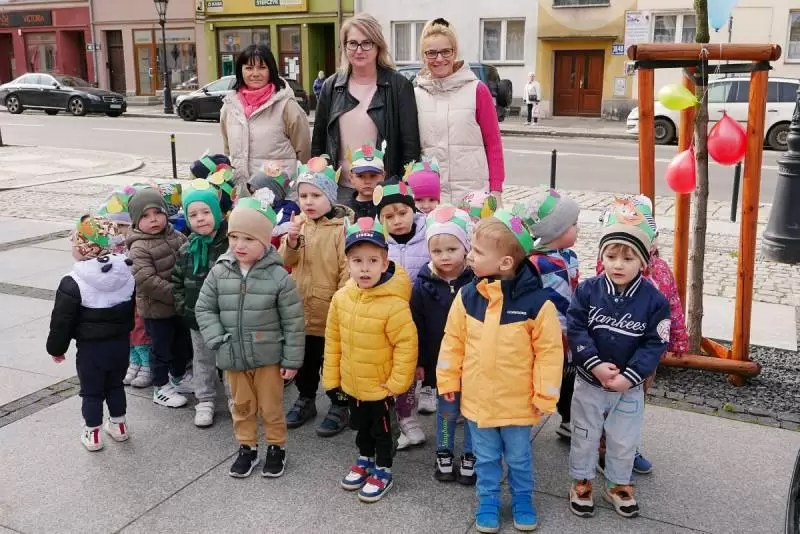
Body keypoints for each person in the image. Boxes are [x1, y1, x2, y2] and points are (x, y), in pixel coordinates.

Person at [437, 209, 564, 532]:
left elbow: (549, 354)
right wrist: (448, 380)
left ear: (505, 263)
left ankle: (522, 498)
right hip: (479, 401)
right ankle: (488, 499)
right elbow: (452, 342)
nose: (469, 256)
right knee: (486, 458)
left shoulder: (538, 305)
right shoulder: (468, 296)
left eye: (478, 252)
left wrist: (545, 394)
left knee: (519, 458)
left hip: (517, 403)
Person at [566, 201, 670, 519]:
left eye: (628, 258)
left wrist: (631, 376)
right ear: (602, 257)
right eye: (611, 256)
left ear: (643, 260)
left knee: (624, 439)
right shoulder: (588, 291)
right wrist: (594, 363)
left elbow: (655, 343)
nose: (618, 265)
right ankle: (581, 481)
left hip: (629, 387)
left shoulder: (655, 301)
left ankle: (618, 484)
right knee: (584, 434)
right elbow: (576, 328)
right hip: (589, 381)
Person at [195, 197, 305, 479]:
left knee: (271, 406)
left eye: (248, 239)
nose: (239, 245)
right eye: (234, 237)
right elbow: (204, 308)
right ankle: (247, 446)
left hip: (268, 357)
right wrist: (217, 339)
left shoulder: (279, 277)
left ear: (265, 242)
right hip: (233, 354)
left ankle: (276, 447)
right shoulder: (220, 271)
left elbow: (293, 321)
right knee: (241, 405)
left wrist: (291, 360)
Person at [322, 217, 417, 503]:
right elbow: (333, 340)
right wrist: (332, 379)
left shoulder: (394, 304)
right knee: (360, 427)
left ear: (385, 263)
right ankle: (365, 459)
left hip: (381, 386)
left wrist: (397, 383)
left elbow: (406, 345)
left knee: (382, 431)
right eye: (357, 261)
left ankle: (383, 469)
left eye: (373, 261)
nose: (365, 268)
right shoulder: (341, 298)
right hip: (352, 383)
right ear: (348, 264)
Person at [595, 194, 689, 475]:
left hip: (645, 354)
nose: (620, 262)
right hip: (611, 351)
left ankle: (628, 446)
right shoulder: (607, 271)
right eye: (614, 254)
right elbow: (592, 307)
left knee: (634, 403)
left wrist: (678, 338)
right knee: (605, 401)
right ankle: (602, 446)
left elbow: (672, 304)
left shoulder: (661, 270)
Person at [47, 216, 135, 451]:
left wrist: (56, 349)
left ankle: (93, 433)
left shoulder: (73, 281)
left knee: (92, 391)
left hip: (91, 350)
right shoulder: (126, 274)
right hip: (120, 345)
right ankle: (119, 426)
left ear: (85, 248)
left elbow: (62, 321)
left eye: (75, 243)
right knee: (115, 385)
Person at [312, 13, 420, 203]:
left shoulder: (399, 86)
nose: (359, 50)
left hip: (385, 190)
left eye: (366, 43)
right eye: (352, 43)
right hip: (339, 190)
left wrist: (400, 190)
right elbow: (319, 143)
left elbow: (410, 147)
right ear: (344, 46)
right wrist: (318, 185)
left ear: (378, 46)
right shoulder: (331, 87)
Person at [279, 157, 352, 436]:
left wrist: (341, 304)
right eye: (303, 196)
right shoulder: (299, 225)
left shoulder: (341, 229)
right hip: (300, 309)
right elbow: (285, 261)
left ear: (330, 197)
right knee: (305, 361)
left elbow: (347, 270)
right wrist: (291, 242)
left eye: (316, 195)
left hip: (330, 311)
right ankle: (306, 398)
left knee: (334, 363)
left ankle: (339, 404)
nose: (308, 201)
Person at [409, 206, 476, 484]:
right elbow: (417, 326)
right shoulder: (423, 284)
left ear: (466, 247)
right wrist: (420, 362)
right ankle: (444, 451)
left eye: (452, 249)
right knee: (447, 410)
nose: (444, 256)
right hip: (442, 361)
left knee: (473, 411)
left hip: (474, 360)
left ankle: (472, 453)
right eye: (437, 251)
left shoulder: (477, 281)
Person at [415, 18, 505, 204]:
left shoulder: (477, 90)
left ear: (454, 52)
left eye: (446, 51)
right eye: (431, 53)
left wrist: (496, 190)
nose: (439, 59)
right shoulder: (416, 95)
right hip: (431, 200)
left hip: (473, 199)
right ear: (423, 57)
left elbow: (493, 143)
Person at [375, 176, 429, 449]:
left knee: (416, 369)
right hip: (389, 321)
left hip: (421, 318)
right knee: (397, 370)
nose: (397, 221)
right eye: (388, 216)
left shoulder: (428, 235)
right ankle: (402, 418)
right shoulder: (379, 243)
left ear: (413, 210)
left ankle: (420, 406)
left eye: (402, 212)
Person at [521, 189, 581, 440]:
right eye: (573, 224)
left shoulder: (570, 256)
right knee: (542, 375)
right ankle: (523, 419)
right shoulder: (535, 263)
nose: (578, 228)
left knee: (569, 378)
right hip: (547, 332)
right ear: (556, 230)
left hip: (571, 329)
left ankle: (568, 419)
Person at [126, 187, 192, 409]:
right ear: (136, 221)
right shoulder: (138, 247)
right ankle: (160, 387)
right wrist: (178, 294)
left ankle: (179, 376)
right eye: (145, 216)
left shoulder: (178, 236)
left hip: (178, 307)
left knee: (181, 345)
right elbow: (146, 280)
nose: (153, 219)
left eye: (157, 213)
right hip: (156, 310)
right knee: (161, 349)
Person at [171, 179, 229, 428]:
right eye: (193, 214)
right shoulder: (187, 249)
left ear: (216, 213)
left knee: (229, 360)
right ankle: (204, 399)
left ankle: (236, 398)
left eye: (206, 212)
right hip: (197, 318)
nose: (200, 218)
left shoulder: (230, 245)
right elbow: (177, 281)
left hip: (227, 317)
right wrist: (184, 308)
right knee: (203, 360)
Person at [221, 44, 311, 195]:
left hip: (278, 194)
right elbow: (228, 150)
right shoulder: (229, 107)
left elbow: (304, 152)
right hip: (241, 194)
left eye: (262, 67)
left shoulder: (287, 106)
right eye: (249, 68)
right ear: (240, 71)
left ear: (271, 70)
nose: (255, 73)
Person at [97, 188, 154, 389]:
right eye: (116, 226)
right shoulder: (115, 245)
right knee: (128, 329)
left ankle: (147, 364)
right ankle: (134, 361)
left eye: (123, 225)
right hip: (122, 295)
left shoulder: (138, 244)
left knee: (140, 329)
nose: (120, 231)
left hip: (139, 294)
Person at [247, 162, 301, 254]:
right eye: (252, 193)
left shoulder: (288, 208)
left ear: (274, 191)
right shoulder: (254, 206)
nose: (255, 196)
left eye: (258, 191)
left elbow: (276, 233)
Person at [348, 142, 385, 219]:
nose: (367, 181)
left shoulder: (388, 206)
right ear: (351, 177)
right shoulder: (345, 210)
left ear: (383, 176)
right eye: (360, 176)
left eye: (373, 176)